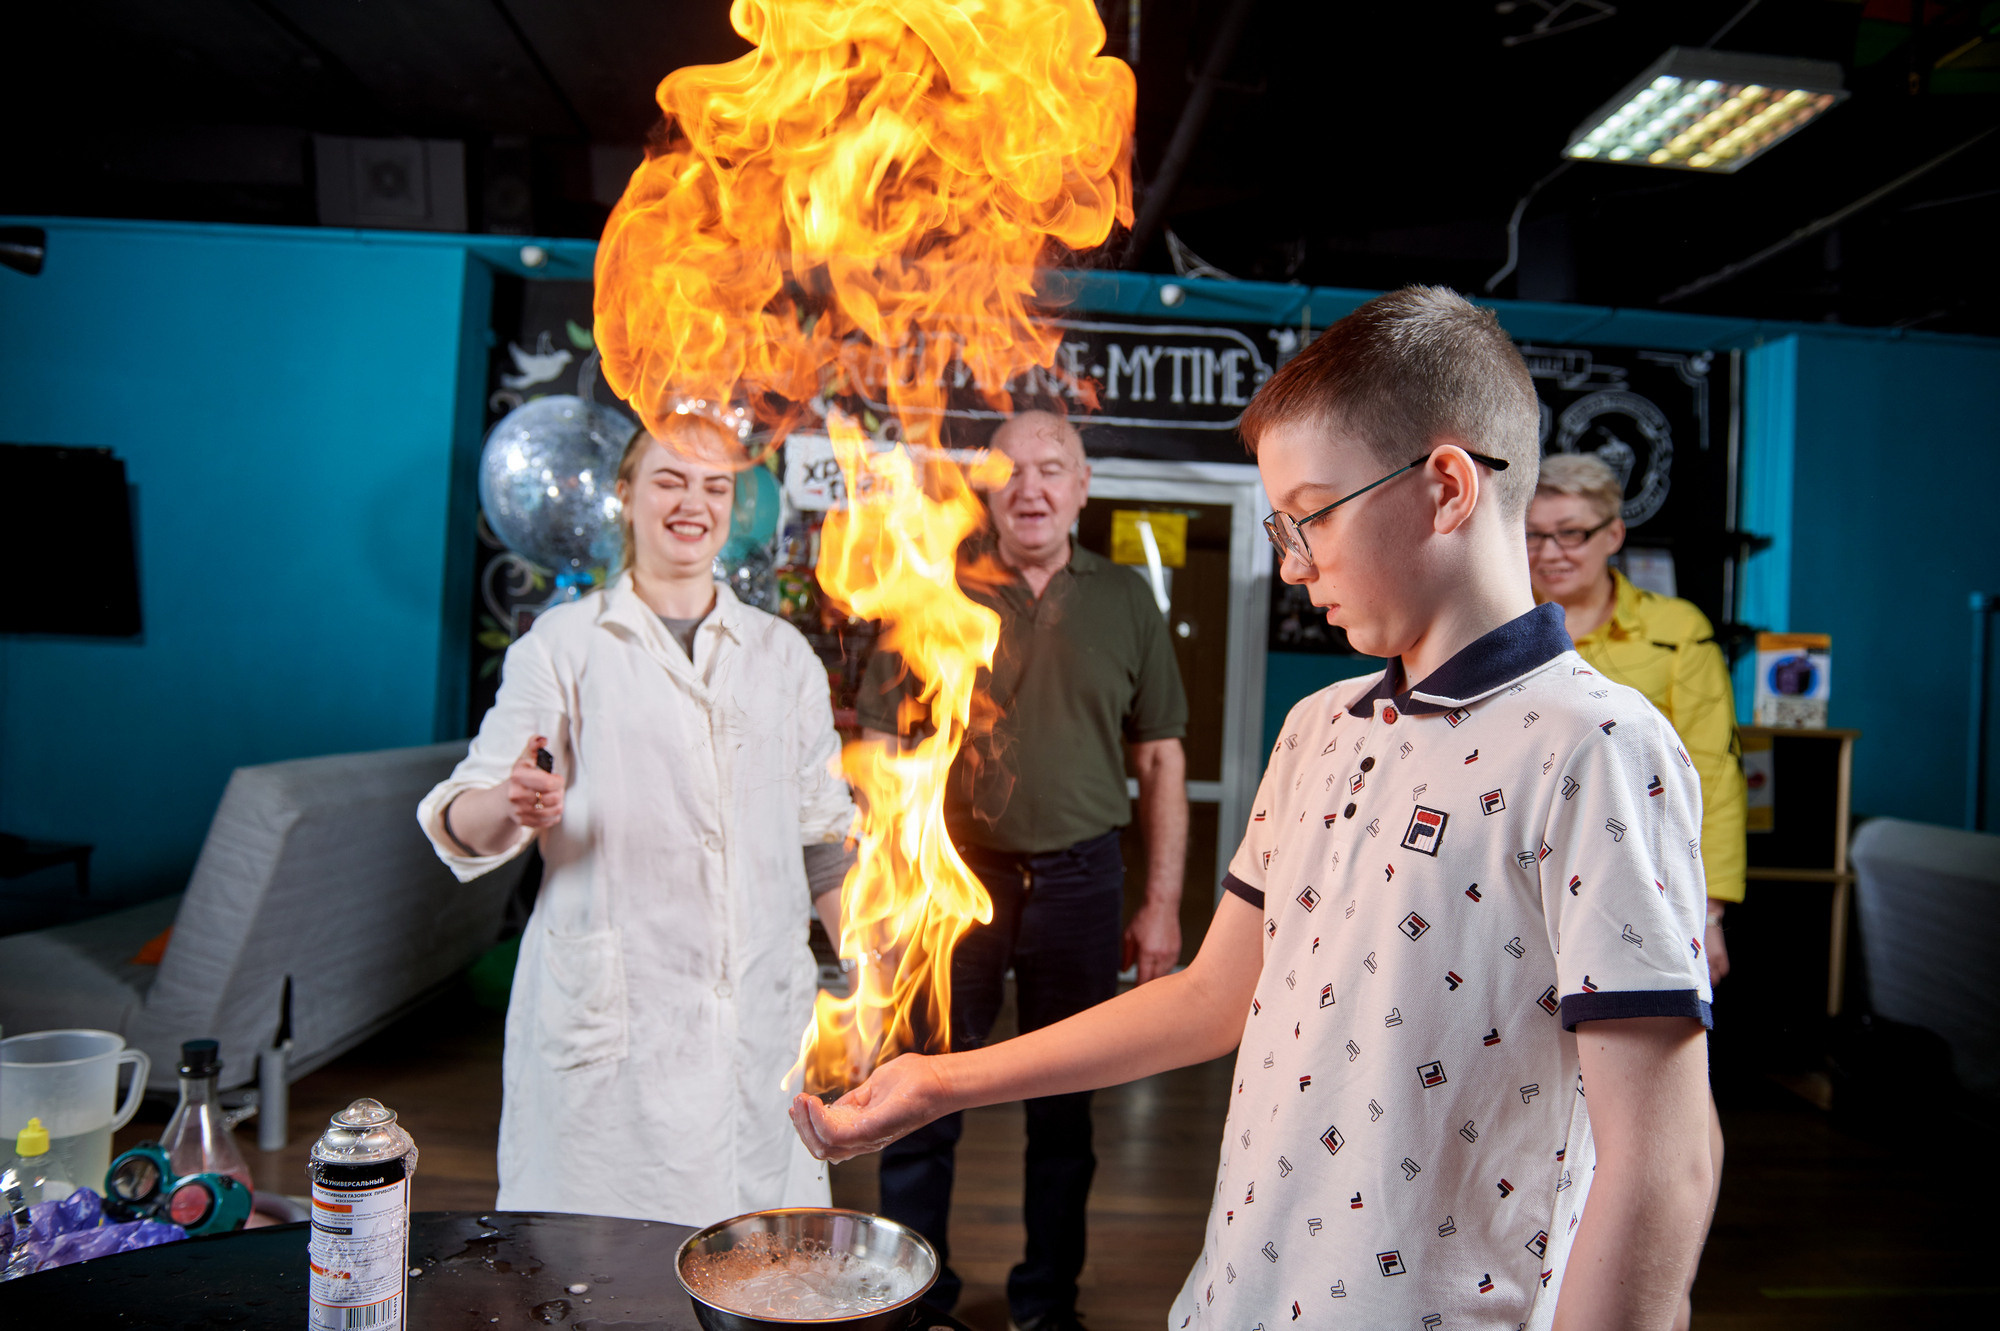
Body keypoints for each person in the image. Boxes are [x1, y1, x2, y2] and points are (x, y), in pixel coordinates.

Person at [798, 288, 1716, 1331]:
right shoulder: (1318, 727)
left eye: (1311, 514)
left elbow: (1663, 1161)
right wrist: (940, 1082)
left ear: (1446, 486)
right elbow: (1207, 1000)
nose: (1291, 559)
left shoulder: (1592, 746)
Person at [417, 414, 856, 1226]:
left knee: (757, 1266)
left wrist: (876, 960)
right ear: (625, 495)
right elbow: (469, 814)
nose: (694, 501)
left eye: (714, 484)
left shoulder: (781, 652)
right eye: (669, 479)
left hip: (760, 1015)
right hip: (615, 1032)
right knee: (602, 1276)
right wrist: (513, 800)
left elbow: (820, 833)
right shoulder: (564, 644)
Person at [855, 409, 1190, 1331]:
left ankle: (1047, 1303)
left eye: (1054, 468)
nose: (1031, 486)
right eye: (1011, 469)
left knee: (1064, 1110)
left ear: (1082, 487)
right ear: (987, 490)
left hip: (1083, 881)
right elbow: (881, 750)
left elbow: (1161, 759)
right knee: (921, 1101)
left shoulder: (1125, 600)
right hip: (952, 883)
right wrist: (880, 894)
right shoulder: (934, 589)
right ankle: (911, 1306)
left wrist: (1160, 906)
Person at [1526, 451, 1746, 1330]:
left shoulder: (1676, 629)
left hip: (1649, 901)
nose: (1552, 551)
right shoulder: (1510, 619)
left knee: (1669, 1108)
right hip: (1538, 889)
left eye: (1572, 533)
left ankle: (1655, 1287)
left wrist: (1711, 914)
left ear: (1613, 534)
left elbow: (1718, 773)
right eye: (1536, 533)